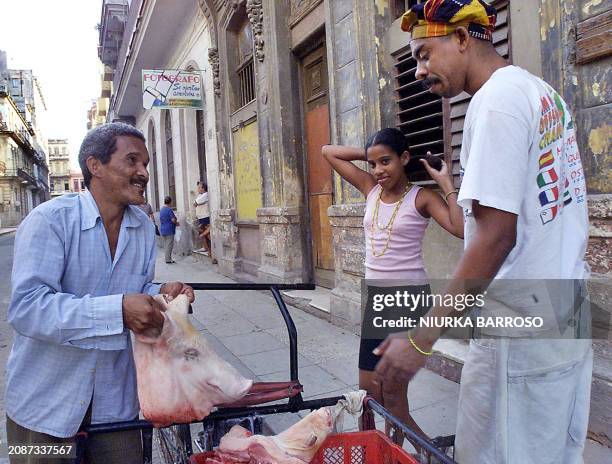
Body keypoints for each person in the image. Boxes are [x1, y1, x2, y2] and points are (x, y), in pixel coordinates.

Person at [375, 1, 592, 463]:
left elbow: (496, 237)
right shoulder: (538, 91)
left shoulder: (494, 103)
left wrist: (422, 338)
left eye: (423, 53)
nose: (417, 70)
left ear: (460, 38)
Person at [5, 122, 195, 463]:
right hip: (44, 406)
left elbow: (133, 288)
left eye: (146, 164)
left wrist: (160, 292)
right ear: (95, 166)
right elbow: (27, 309)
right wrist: (118, 310)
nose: (143, 173)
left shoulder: (141, 227)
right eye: (132, 161)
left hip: (116, 406)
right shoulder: (49, 220)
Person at [322, 128, 463, 447]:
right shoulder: (370, 187)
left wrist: (446, 186)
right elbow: (328, 151)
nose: (378, 171)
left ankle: (411, 451)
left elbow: (460, 228)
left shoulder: (422, 197)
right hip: (378, 301)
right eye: (373, 164)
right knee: (370, 393)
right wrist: (370, 153)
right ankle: (394, 449)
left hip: (408, 301)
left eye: (386, 161)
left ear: (405, 158)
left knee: (394, 397)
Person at [193, 181, 214, 262]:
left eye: (199, 187)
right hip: (201, 217)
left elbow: (195, 203)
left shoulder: (205, 195)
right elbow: (194, 204)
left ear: (203, 188)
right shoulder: (200, 195)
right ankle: (207, 250)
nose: (198, 189)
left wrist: (196, 203)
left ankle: (211, 251)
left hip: (205, 217)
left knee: (207, 234)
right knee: (203, 233)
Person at [160, 195, 179, 264]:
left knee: (166, 245)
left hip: (163, 229)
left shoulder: (162, 209)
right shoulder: (169, 210)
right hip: (169, 229)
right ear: (170, 202)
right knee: (169, 245)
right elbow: (173, 219)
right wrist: (177, 223)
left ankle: (167, 258)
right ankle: (168, 259)